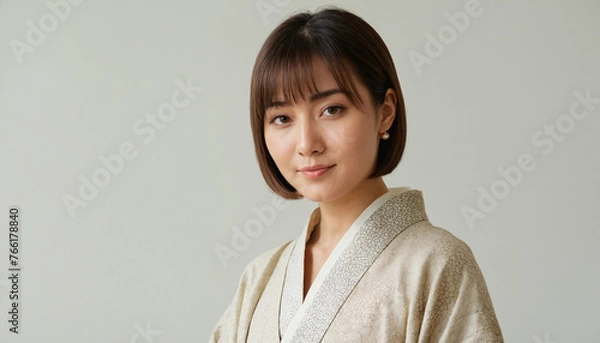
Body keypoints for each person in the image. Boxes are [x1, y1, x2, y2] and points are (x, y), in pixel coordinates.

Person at [210, 6, 503, 343]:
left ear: (386, 112)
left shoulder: (435, 263)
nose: (307, 144)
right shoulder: (260, 277)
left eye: (331, 110)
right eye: (282, 118)